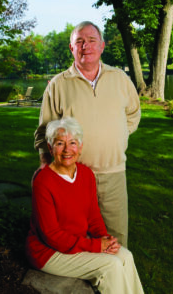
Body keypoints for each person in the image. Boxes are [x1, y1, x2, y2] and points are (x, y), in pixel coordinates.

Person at [34, 21, 141, 247]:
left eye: (92, 41)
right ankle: (86, 281)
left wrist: (120, 133)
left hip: (113, 173)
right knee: (76, 237)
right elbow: (45, 130)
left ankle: (116, 280)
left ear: (102, 46)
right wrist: (46, 161)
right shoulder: (57, 84)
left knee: (116, 237)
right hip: (73, 176)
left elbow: (133, 114)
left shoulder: (120, 79)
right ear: (71, 48)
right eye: (79, 42)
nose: (86, 46)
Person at [26, 117, 144, 294]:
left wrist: (105, 239)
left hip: (76, 243)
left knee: (125, 256)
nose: (67, 150)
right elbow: (51, 235)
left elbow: (93, 216)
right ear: (50, 148)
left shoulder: (86, 174)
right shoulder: (43, 181)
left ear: (80, 147)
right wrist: (96, 246)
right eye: (60, 143)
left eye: (73, 143)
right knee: (111, 266)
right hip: (48, 253)